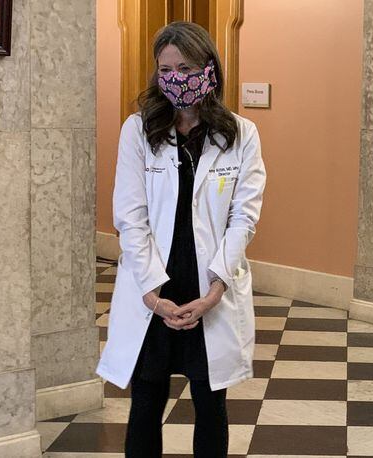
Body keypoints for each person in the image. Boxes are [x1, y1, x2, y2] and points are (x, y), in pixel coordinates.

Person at [96, 21, 266, 457]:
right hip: (155, 284)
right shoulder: (138, 130)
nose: (175, 78)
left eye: (186, 67)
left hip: (210, 284)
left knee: (211, 404)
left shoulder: (241, 134)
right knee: (146, 400)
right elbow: (129, 218)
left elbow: (243, 218)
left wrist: (215, 288)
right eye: (165, 69)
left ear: (209, 70)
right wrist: (152, 294)